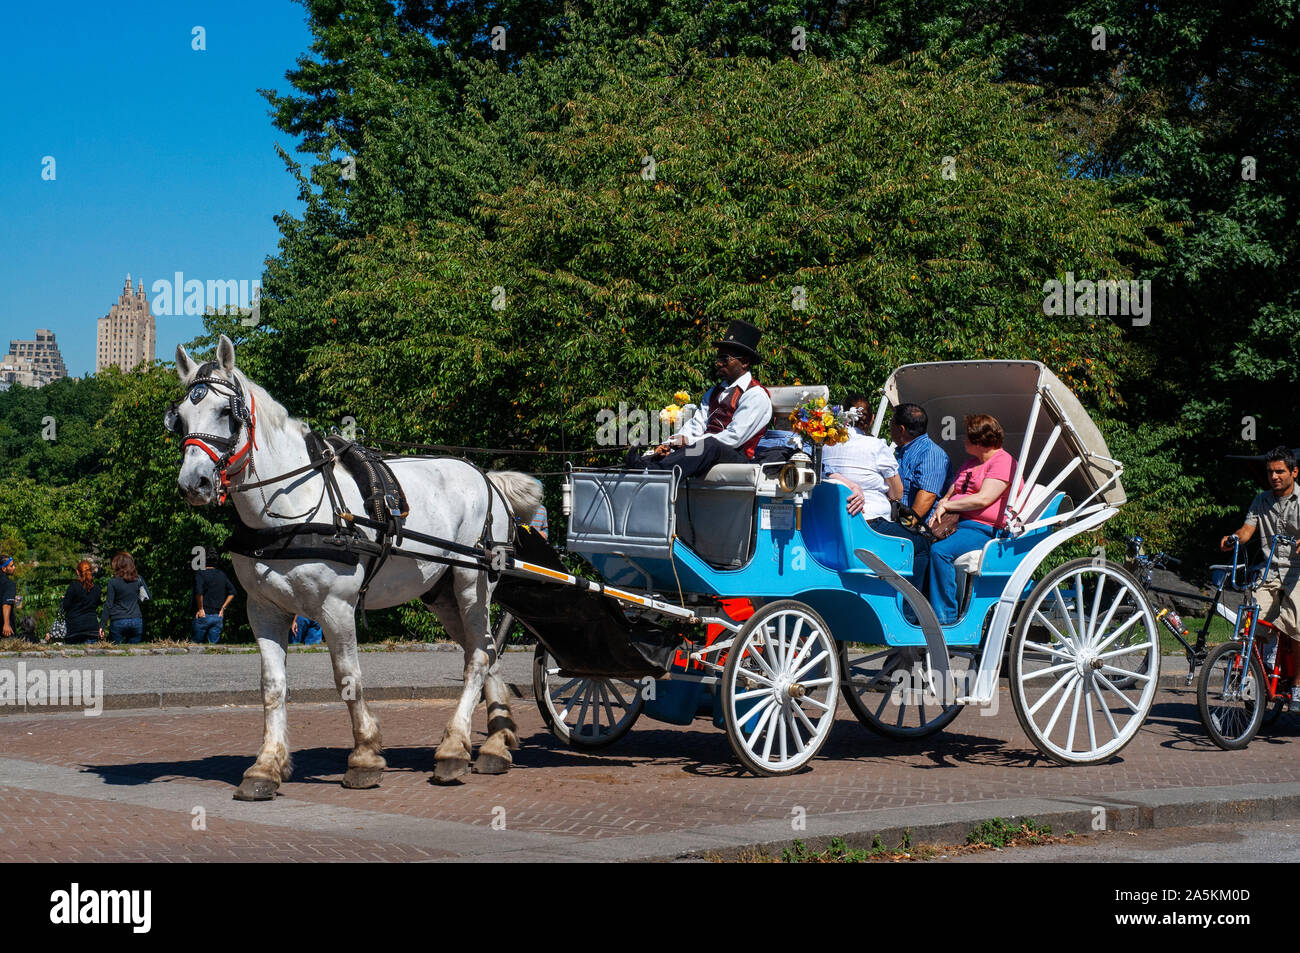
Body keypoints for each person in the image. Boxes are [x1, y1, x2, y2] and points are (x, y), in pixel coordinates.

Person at [626, 320, 772, 479]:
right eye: (718, 358)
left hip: (738, 456)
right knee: (698, 444)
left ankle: (655, 471)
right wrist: (672, 443)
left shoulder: (755, 395)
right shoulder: (713, 392)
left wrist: (689, 442)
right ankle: (646, 463)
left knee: (711, 445)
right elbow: (696, 425)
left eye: (724, 359)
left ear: (744, 362)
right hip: (705, 450)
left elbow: (733, 438)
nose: (718, 363)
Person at [1219, 445, 1300, 709]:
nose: (1274, 476)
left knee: (1297, 628)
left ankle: (1298, 685)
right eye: (1270, 472)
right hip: (1269, 572)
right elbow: (1247, 530)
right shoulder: (1260, 500)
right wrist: (1234, 538)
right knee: (1251, 622)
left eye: (1280, 471)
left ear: (1294, 472)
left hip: (1297, 573)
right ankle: (1253, 676)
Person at [926, 415, 1019, 625]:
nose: (963, 440)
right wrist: (942, 505)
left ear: (980, 440)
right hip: (958, 524)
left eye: (968, 436)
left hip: (984, 529)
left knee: (940, 551)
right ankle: (918, 611)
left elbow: (983, 499)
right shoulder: (971, 463)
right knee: (919, 545)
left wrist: (947, 506)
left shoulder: (1003, 462)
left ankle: (945, 618)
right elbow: (953, 491)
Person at [821, 393, 903, 522]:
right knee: (920, 542)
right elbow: (896, 494)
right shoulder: (877, 446)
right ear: (871, 419)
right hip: (871, 518)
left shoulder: (825, 445)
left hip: (831, 517)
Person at [102, 551, 148, 644]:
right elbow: (147, 598)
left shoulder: (113, 581)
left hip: (118, 619)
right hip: (136, 619)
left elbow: (109, 604)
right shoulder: (139, 579)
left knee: (115, 651)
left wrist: (102, 625)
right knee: (134, 652)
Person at [193, 556, 237, 644]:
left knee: (195, 646)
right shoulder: (222, 575)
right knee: (213, 648)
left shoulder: (200, 574)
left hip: (204, 615)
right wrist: (223, 608)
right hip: (218, 616)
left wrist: (201, 609)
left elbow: (199, 592)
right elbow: (233, 592)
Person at [60, 560, 103, 644]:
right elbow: (96, 605)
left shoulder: (73, 586)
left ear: (77, 572)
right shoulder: (97, 588)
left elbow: (66, 606)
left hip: (75, 628)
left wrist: (64, 599)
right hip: (92, 627)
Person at [0, 555, 16, 639]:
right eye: (11, 566)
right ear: (3, 569)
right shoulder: (9, 584)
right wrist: (6, 624)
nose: (14, 567)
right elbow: (6, 604)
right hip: (3, 628)